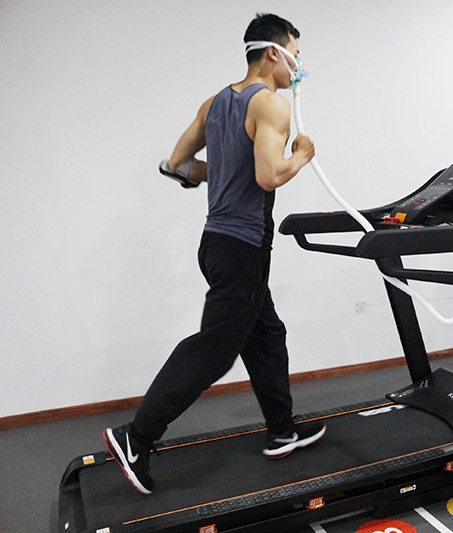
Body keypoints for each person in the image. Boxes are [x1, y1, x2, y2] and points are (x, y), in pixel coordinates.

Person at [103, 13, 323, 495]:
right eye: (296, 55)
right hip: (243, 246)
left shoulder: (215, 102)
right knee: (215, 349)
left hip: (217, 244)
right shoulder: (271, 103)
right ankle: (136, 437)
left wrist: (221, 172)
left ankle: (282, 430)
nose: (298, 66)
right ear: (273, 53)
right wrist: (301, 156)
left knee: (266, 334)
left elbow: (177, 164)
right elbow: (269, 176)